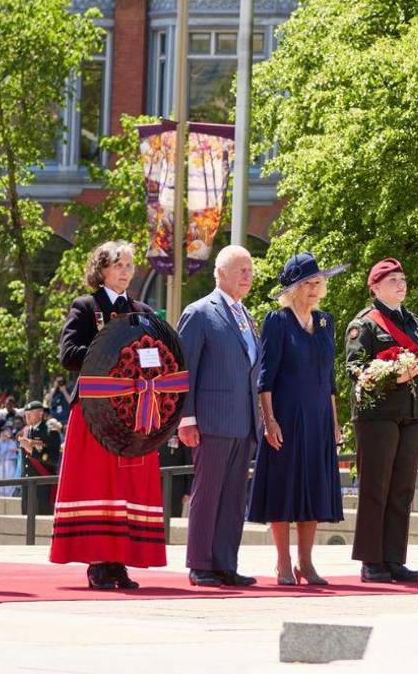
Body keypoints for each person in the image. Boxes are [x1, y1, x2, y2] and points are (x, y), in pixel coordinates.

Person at [50, 240, 162, 590]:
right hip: (96, 411)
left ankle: (119, 562)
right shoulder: (86, 307)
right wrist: (110, 351)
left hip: (132, 412)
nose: (126, 271)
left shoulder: (142, 310)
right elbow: (68, 355)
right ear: (101, 270)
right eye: (119, 265)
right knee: (98, 483)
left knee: (125, 487)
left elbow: (155, 356)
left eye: (130, 265)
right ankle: (98, 561)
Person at [248, 253, 346, 585]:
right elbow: (266, 376)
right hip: (286, 416)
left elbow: (329, 378)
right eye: (308, 283)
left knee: (314, 489)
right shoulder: (277, 320)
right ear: (293, 288)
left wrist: (333, 422)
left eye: (319, 282)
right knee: (283, 487)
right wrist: (269, 419)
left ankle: (307, 561)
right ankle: (283, 562)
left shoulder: (326, 322)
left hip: (318, 417)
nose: (316, 288)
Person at [176, 245, 261, 588]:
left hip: (243, 421)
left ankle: (226, 563)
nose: (248, 276)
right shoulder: (200, 312)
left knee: (233, 497)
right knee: (208, 492)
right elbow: (186, 369)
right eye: (241, 270)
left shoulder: (246, 315)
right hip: (210, 420)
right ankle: (200, 563)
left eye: (250, 270)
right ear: (221, 273)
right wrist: (187, 418)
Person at [345, 258, 418, 584]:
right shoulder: (365, 325)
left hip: (411, 412)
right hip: (377, 414)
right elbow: (355, 370)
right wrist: (397, 374)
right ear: (375, 287)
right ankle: (372, 560)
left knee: (402, 489)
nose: (400, 284)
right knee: (376, 487)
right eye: (393, 280)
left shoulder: (416, 325)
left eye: (402, 278)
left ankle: (395, 558)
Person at [18, 400, 61, 515]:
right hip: (27, 484)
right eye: (25, 413)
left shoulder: (50, 431)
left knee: (42, 518)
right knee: (26, 519)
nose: (27, 416)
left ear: (41, 413)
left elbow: (53, 459)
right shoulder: (26, 431)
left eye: (30, 413)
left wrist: (32, 451)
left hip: (42, 485)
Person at [0, 426, 20, 497]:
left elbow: (12, 448)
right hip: (1, 463)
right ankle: (1, 496)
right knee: (1, 481)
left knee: (9, 480)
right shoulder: (0, 442)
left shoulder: (12, 442)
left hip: (10, 463)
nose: (5, 434)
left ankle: (9, 496)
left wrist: (8, 439)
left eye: (7, 432)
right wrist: (0, 440)